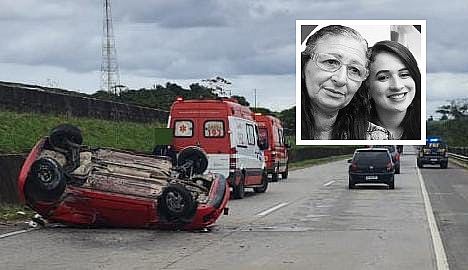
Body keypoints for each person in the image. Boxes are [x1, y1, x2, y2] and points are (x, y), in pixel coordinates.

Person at [301, 25, 391, 140]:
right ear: (304, 66)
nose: (341, 79)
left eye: (354, 70)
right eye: (331, 62)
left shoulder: (378, 137)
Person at [365, 40, 421, 140]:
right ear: (367, 86)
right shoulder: (351, 132)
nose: (397, 86)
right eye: (383, 77)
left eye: (404, 75)